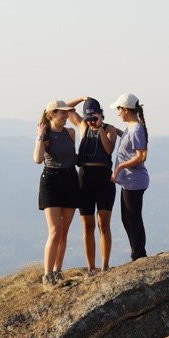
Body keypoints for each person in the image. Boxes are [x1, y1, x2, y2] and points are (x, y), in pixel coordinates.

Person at [66, 96, 118, 274]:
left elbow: (109, 149)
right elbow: (66, 108)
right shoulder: (82, 126)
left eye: (94, 115)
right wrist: (81, 98)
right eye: (88, 116)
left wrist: (100, 127)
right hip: (85, 177)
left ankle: (105, 265)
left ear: (100, 114)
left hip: (104, 177)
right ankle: (91, 267)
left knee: (103, 223)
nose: (91, 120)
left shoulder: (109, 128)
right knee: (87, 225)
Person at [33, 99, 78, 285]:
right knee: (54, 230)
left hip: (70, 179)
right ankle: (47, 274)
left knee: (64, 231)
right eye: (62, 113)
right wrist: (40, 137)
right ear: (52, 114)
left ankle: (58, 270)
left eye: (67, 113)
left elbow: (73, 157)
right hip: (51, 181)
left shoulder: (70, 132)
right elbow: (37, 159)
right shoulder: (45, 134)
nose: (66, 116)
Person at [109, 92, 149, 261]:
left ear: (125, 109)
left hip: (135, 180)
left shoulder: (137, 129)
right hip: (130, 181)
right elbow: (128, 139)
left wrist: (119, 168)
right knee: (128, 218)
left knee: (132, 218)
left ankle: (139, 254)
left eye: (119, 109)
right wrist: (110, 129)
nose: (118, 113)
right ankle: (137, 253)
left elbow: (141, 156)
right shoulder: (132, 127)